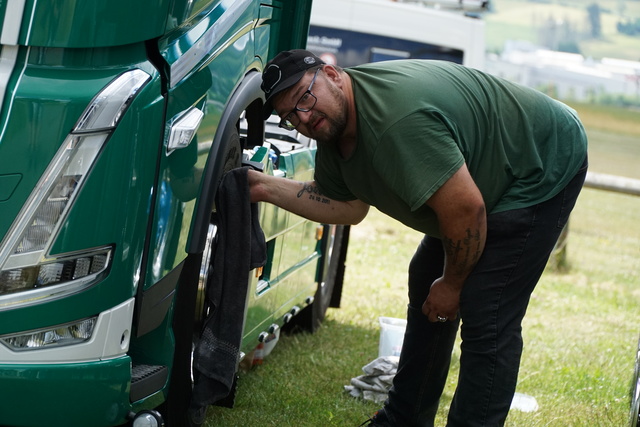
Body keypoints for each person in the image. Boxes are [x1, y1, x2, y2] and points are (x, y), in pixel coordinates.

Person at [249, 49, 588, 426]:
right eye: (290, 115)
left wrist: (454, 284)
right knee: (427, 279)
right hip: (479, 183)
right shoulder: (335, 127)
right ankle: (404, 419)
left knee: (485, 311)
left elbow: (466, 211)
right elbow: (347, 205)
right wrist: (262, 186)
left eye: (305, 100)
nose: (304, 118)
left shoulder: (398, 121)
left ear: (331, 74)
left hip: (538, 163)